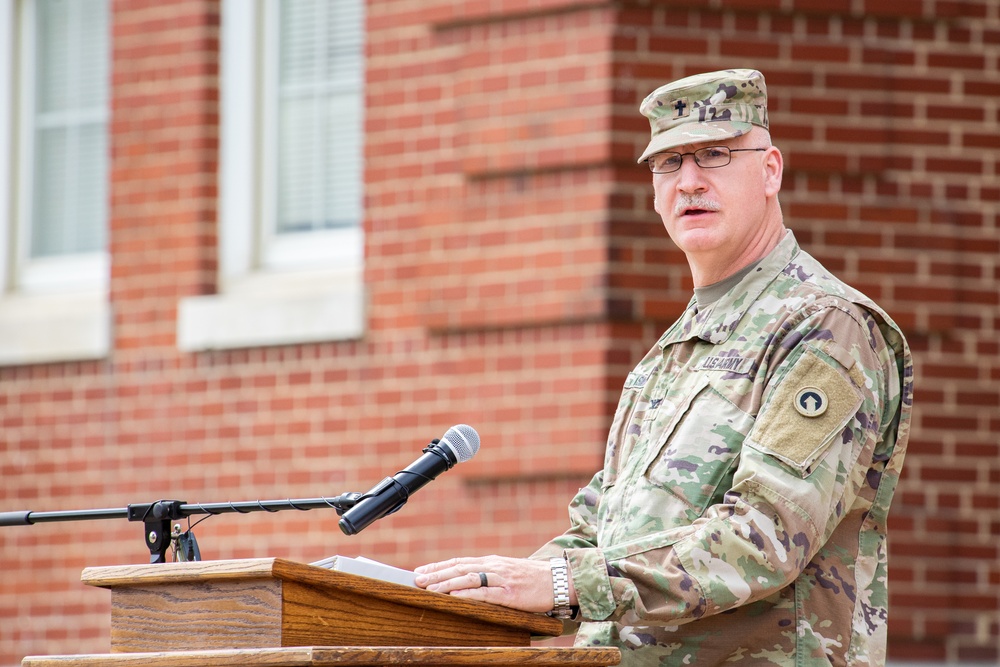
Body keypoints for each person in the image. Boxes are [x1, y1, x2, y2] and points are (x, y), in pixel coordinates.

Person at [414, 69, 914, 666]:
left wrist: (569, 584)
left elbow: (766, 535)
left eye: (715, 155)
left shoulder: (827, 328)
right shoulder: (673, 353)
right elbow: (598, 530)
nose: (690, 182)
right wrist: (475, 594)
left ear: (770, 170)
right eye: (668, 164)